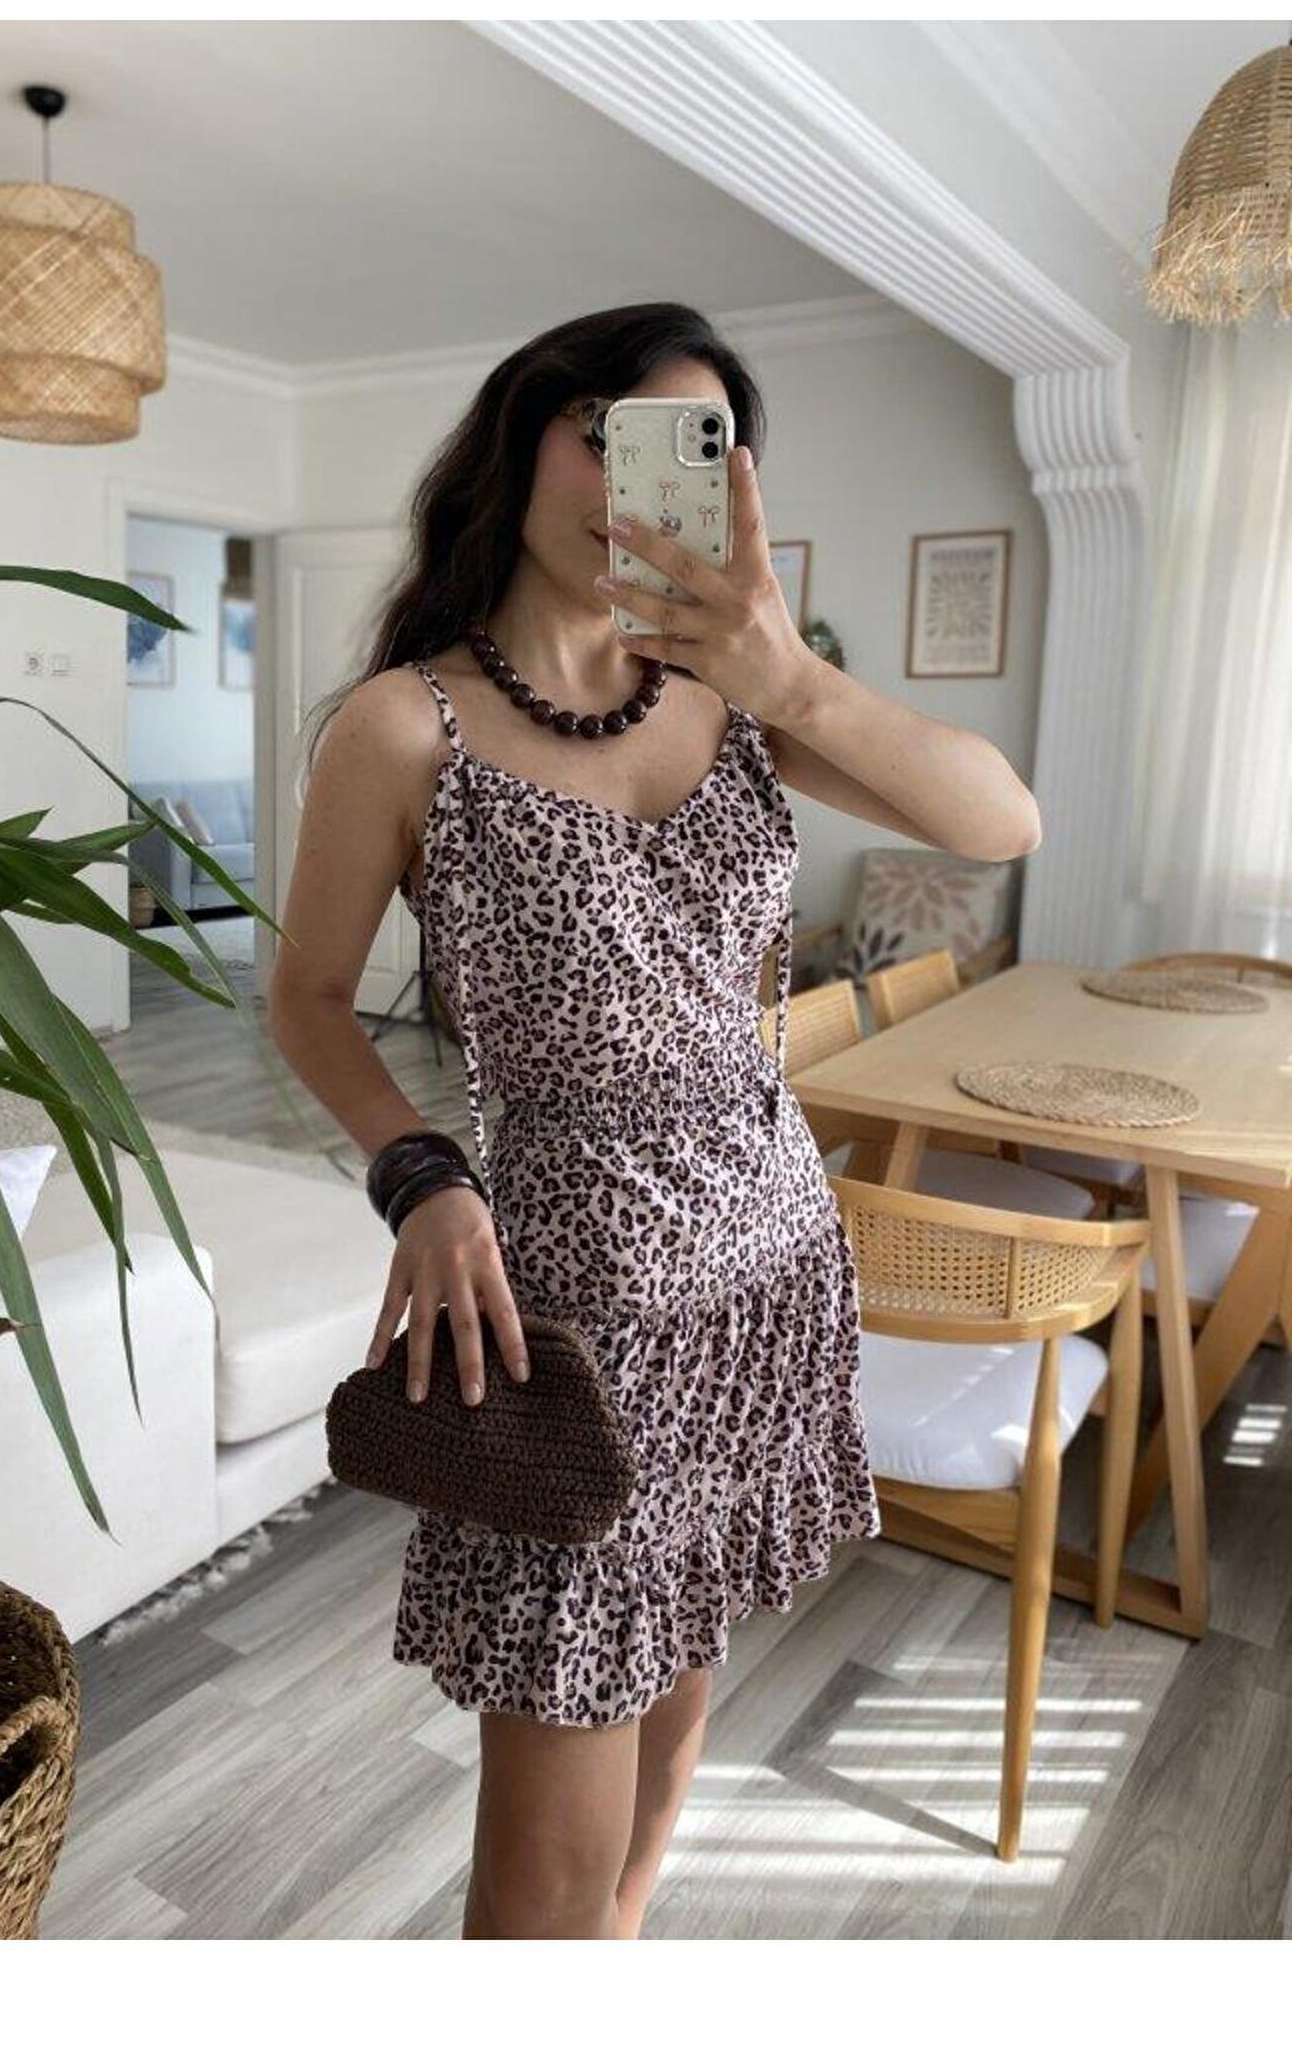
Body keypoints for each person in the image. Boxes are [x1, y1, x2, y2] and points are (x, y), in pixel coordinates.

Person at [270, 302, 1041, 1940]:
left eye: (690, 452)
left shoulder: (739, 699)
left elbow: (1002, 821)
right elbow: (311, 1000)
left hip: (768, 1281)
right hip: (575, 1318)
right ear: (523, 440)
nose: (639, 490)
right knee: (543, 1871)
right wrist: (422, 1176)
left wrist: (788, 673)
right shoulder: (401, 728)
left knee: (672, 1737)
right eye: (611, 437)